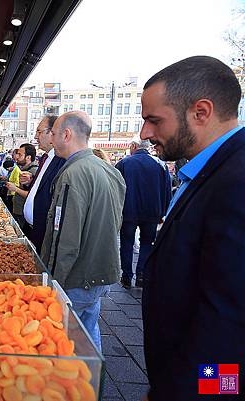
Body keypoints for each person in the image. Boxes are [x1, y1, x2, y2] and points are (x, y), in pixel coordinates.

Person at [139, 56, 245, 401]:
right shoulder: (211, 169)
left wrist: (182, 393)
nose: (145, 133)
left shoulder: (237, 180)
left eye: (154, 120)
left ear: (201, 112)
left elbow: (228, 322)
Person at [41, 111, 126, 351]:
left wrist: (53, 283)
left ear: (66, 135)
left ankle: (73, 385)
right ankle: (93, 383)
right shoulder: (110, 171)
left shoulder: (72, 174)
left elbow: (64, 236)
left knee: (64, 339)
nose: (52, 139)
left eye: (55, 134)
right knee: (89, 330)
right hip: (100, 273)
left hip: (76, 278)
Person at [115, 137, 171, 289]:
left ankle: (126, 276)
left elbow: (116, 188)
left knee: (127, 242)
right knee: (147, 242)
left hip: (129, 210)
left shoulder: (125, 163)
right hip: (152, 211)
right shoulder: (160, 164)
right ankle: (141, 274)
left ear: (134, 146)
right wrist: (163, 211)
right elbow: (167, 189)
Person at [22, 115, 65, 253]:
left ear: (52, 133)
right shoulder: (45, 158)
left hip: (43, 232)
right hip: (31, 228)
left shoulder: (61, 160)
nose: (36, 136)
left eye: (39, 132)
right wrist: (31, 182)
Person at [5, 143, 38, 230]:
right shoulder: (23, 169)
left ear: (28, 157)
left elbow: (32, 195)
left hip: (24, 213)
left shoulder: (33, 171)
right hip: (19, 210)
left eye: (20, 154)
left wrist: (15, 189)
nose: (17, 157)